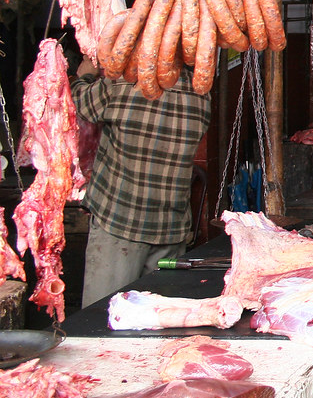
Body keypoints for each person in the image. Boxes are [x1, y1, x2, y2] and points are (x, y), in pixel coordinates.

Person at [72, 60, 211, 307]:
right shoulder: (200, 92)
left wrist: (83, 76)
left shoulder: (122, 85)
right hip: (171, 228)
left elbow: (79, 103)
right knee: (155, 323)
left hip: (120, 226)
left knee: (101, 319)